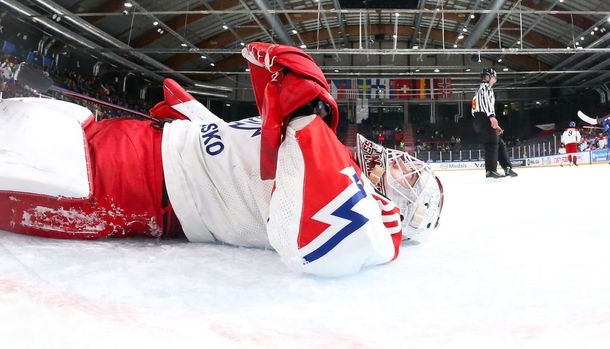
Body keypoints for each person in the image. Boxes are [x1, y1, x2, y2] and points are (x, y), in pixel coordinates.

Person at [0, 42, 443, 277]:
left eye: (409, 172)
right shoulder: (328, 151)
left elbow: (322, 248)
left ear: (402, 201)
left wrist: (306, 112)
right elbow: (248, 163)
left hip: (119, 182)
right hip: (127, 140)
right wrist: (198, 116)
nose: (401, 159)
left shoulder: (361, 204)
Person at [471, 68, 517, 178]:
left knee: (500, 143)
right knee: (491, 143)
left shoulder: (481, 88)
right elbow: (485, 102)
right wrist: (491, 116)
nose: (486, 78)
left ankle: (507, 168)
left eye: (488, 76)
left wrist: (494, 122)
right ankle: (491, 170)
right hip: (483, 117)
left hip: (482, 118)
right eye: (486, 76)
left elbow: (480, 104)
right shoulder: (485, 87)